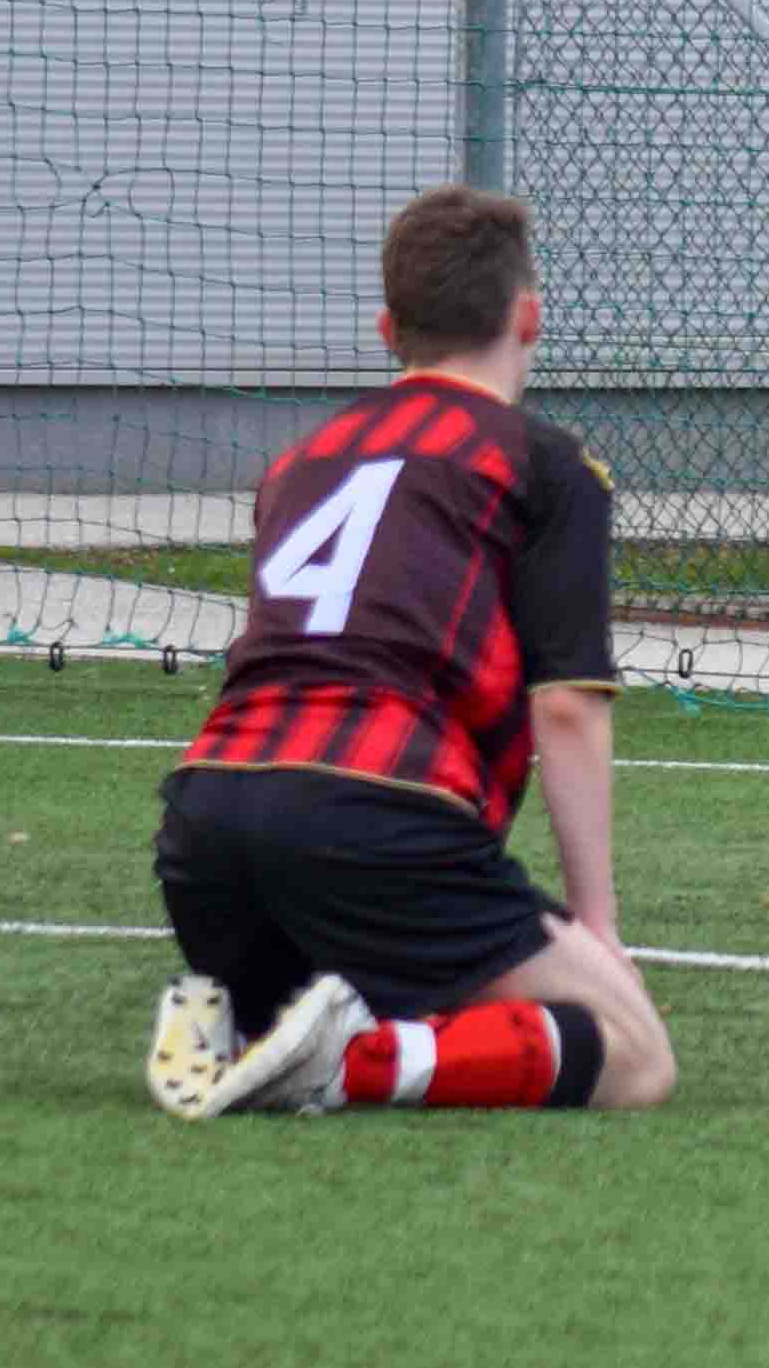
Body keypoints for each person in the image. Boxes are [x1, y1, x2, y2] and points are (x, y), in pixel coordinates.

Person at [148, 184, 679, 1116]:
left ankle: (248, 1013)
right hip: (378, 820)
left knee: (393, 983)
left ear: (388, 331)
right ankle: (348, 1064)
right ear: (530, 317)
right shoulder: (542, 463)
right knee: (635, 1056)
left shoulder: (302, 460)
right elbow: (565, 704)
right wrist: (598, 926)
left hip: (205, 831)